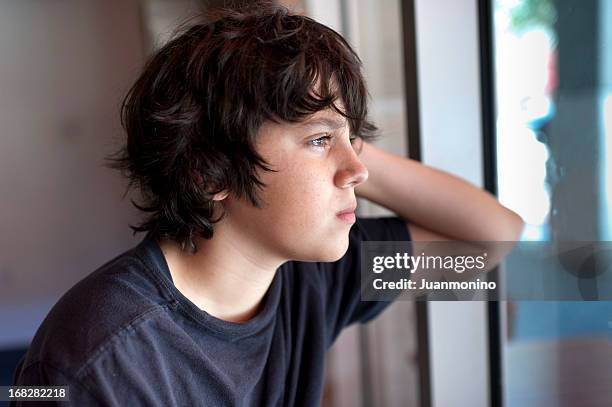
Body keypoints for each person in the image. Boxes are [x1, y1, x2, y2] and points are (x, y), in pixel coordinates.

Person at [11, 2, 523, 406]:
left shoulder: (310, 279)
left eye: (353, 141)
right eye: (319, 142)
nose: (358, 172)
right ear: (210, 172)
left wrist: (339, 133)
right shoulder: (100, 359)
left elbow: (494, 237)